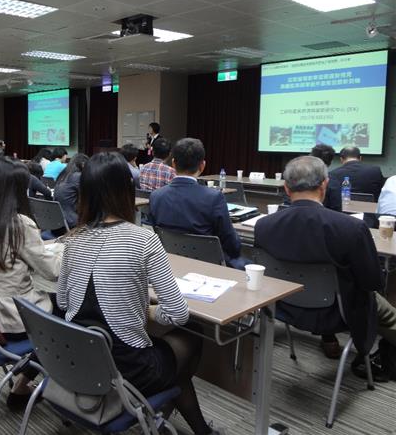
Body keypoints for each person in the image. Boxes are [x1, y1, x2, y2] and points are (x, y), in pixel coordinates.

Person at [58, 152, 219, 435]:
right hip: (127, 370)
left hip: (81, 361)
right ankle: (162, 418)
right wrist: (146, 310)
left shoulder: (73, 239)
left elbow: (62, 302)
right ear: (126, 191)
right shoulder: (143, 239)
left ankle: (184, 425)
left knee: (172, 363)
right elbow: (179, 314)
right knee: (191, 334)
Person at [255, 156, 396, 378]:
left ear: (286, 188)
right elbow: (372, 282)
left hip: (284, 307)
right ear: (324, 185)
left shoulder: (263, 226)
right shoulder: (351, 228)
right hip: (337, 312)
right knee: (387, 312)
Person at [0, 157, 63, 407]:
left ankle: (25, 375)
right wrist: (64, 250)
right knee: (69, 319)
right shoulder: (20, 223)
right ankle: (23, 385)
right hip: (13, 314)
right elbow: (52, 271)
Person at [150, 138, 250, 270]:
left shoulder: (156, 196)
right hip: (210, 265)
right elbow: (231, 243)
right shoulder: (214, 197)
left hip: (172, 263)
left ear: (173, 164)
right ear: (202, 166)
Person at [54, 153, 88, 229]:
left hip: (57, 221)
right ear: (83, 164)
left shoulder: (63, 174)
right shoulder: (77, 176)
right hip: (71, 222)